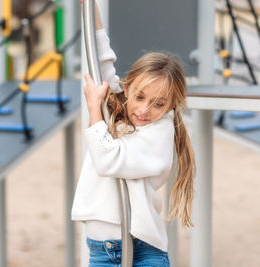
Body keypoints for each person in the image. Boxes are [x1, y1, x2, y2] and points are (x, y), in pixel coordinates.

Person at [72, 3, 195, 266]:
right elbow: (101, 60)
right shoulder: (119, 110)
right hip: (102, 249)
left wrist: (94, 109)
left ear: (172, 106)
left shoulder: (159, 132)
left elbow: (107, 160)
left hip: (142, 248)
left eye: (159, 104)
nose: (144, 109)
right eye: (139, 97)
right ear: (127, 89)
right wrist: (89, 8)